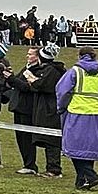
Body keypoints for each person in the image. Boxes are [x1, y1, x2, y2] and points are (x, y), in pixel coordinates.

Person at [55, 47, 98, 190]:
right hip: (97, 114)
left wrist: (61, 107)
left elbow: (62, 91)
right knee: (88, 148)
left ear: (80, 56)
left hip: (77, 112)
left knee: (73, 147)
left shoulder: (75, 72)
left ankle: (91, 176)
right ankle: (81, 181)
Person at [25, 43, 65, 178]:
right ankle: (52, 167)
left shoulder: (51, 71)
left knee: (51, 139)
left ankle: (54, 169)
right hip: (48, 107)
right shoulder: (53, 70)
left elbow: (41, 85)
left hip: (50, 109)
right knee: (48, 139)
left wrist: (30, 78)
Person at [3, 47, 41, 174]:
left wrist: (12, 79)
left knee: (26, 138)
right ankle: (27, 164)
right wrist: (10, 76)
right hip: (18, 106)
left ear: (37, 57)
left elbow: (27, 87)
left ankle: (30, 165)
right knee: (20, 137)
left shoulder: (37, 70)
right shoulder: (26, 68)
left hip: (27, 108)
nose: (27, 56)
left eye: (30, 54)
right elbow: (18, 82)